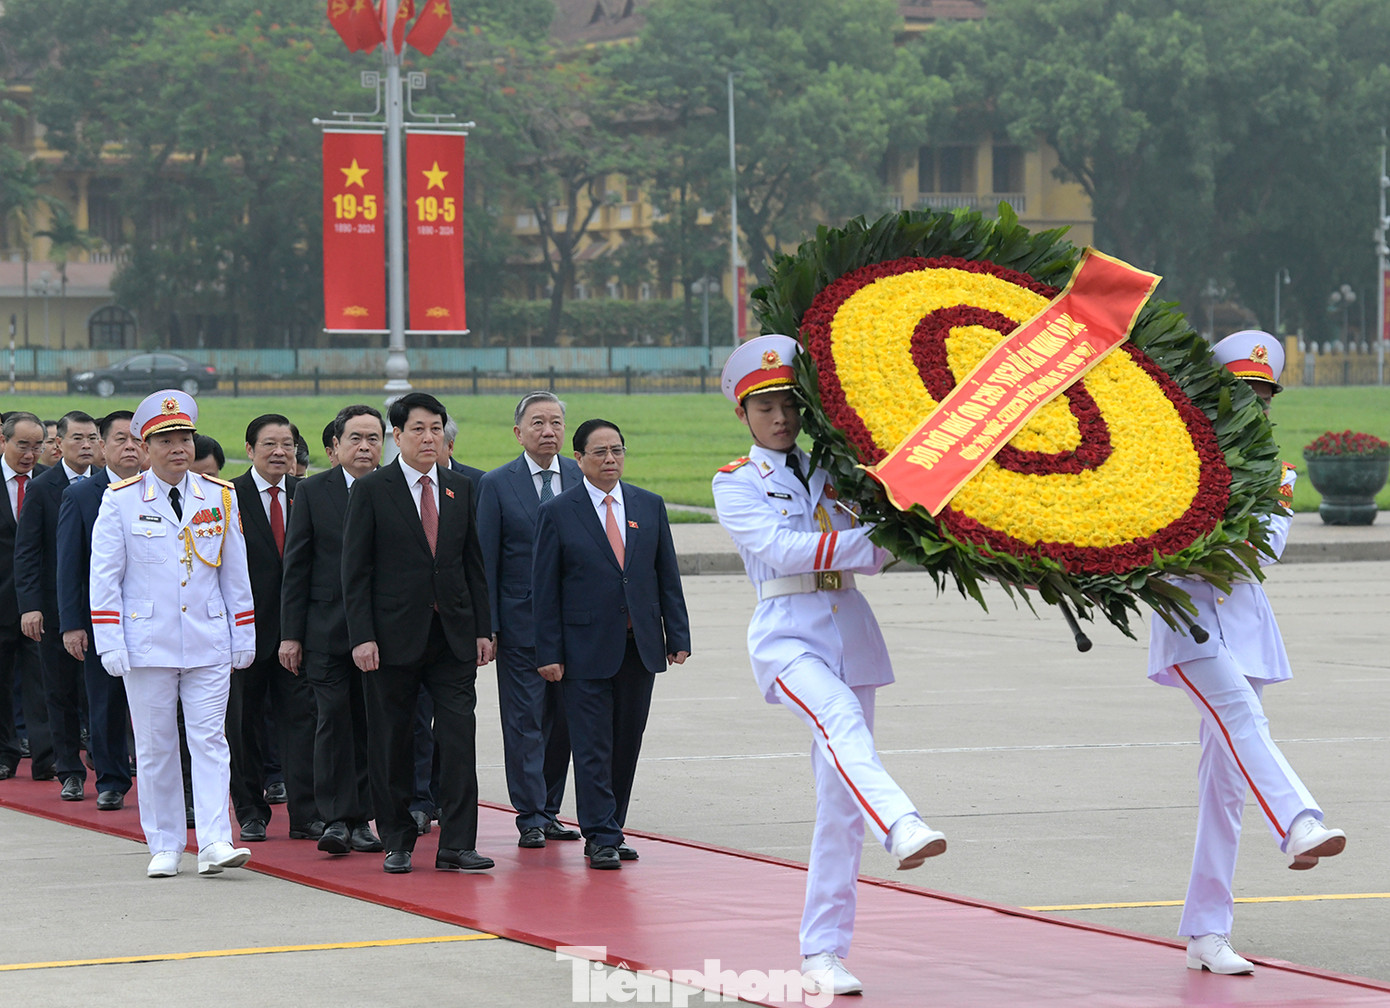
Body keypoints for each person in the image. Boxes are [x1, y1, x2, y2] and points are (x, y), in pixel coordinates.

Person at [711, 334, 947, 998]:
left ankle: (823, 952)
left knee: (840, 805)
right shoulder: (736, 481)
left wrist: (893, 530)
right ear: (743, 414)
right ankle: (900, 823)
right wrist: (873, 536)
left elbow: (880, 556)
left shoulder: (837, 470)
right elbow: (783, 551)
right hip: (788, 635)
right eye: (765, 408)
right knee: (839, 717)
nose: (780, 418)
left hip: (851, 634)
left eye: (789, 404)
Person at [1149, 330, 1347, 975]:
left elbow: (1258, 552)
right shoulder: (1173, 456)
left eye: (1262, 397)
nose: (1252, 406)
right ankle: (1298, 821)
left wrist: (1203, 530)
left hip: (1246, 627)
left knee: (1225, 786)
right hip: (1188, 620)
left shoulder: (1277, 475)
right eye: (1240, 393)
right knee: (1242, 716)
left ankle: (1207, 931)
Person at [89, 389, 255, 877]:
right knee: (156, 746)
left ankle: (215, 840)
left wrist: (243, 634)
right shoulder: (120, 500)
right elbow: (105, 576)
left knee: (210, 741)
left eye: (184, 438)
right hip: (148, 642)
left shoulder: (219, 495)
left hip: (208, 638)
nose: (178, 448)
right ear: (145, 447)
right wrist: (110, 640)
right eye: (166, 440)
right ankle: (164, 842)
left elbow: (235, 573)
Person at [342, 392, 495, 875]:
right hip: (391, 640)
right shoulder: (372, 489)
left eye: (436, 429)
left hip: (452, 637)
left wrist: (483, 628)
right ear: (398, 435)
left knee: (458, 739)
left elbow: (472, 563)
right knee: (392, 742)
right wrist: (362, 636)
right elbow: (355, 571)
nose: (429, 438)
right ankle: (397, 840)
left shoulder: (460, 488)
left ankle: (457, 844)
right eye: (418, 429)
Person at [533, 418, 690, 870]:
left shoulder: (648, 505)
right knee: (592, 746)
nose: (609, 459)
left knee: (625, 743)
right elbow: (545, 589)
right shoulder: (558, 511)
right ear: (578, 458)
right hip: (583, 650)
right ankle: (599, 835)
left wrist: (677, 635)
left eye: (616, 450)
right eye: (599, 452)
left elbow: (666, 576)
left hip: (639, 647)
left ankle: (613, 827)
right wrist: (549, 652)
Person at [476, 391, 581, 849]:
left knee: (564, 724)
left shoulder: (581, 476)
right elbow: (486, 560)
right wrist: (488, 626)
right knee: (525, 723)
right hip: (521, 624)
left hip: (576, 625)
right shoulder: (498, 484)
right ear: (519, 432)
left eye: (556, 422)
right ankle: (531, 814)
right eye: (538, 423)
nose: (548, 431)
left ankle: (551, 809)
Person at [280, 405, 385, 856]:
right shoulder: (311, 491)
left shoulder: (392, 489)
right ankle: (336, 819)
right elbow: (297, 565)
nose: (364, 447)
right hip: (325, 629)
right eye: (355, 438)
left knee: (369, 724)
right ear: (335, 446)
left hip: (380, 633)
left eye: (373, 438)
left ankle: (363, 818)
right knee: (333, 720)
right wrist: (290, 634)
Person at [228, 415, 318, 843]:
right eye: (269, 444)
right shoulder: (228, 496)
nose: (280, 452)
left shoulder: (308, 493)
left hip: (299, 633)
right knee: (243, 726)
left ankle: (307, 814)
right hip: (246, 633)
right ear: (250, 450)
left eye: (287, 444)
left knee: (302, 724)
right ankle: (250, 811)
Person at [55, 410, 144, 811]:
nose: (130, 447)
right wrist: (73, 624)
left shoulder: (159, 490)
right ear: (102, 447)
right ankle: (111, 779)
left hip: (153, 618)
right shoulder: (81, 496)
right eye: (120, 439)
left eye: (137, 440)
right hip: (102, 619)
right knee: (106, 701)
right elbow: (70, 567)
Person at [15, 410, 100, 801]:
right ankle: (69, 770)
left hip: (101, 607)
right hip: (54, 608)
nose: (86, 445)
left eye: (92, 438)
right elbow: (27, 552)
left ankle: (107, 759)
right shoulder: (42, 487)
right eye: (77, 438)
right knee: (61, 690)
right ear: (58, 444)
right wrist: (30, 606)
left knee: (102, 691)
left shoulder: (110, 485)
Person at [0, 412, 54, 781]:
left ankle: (46, 757)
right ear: (3, 441)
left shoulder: (49, 484)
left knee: (43, 682)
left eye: (37, 446)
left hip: (39, 603)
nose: (30, 454)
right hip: (1, 600)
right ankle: (5, 753)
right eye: (22, 445)